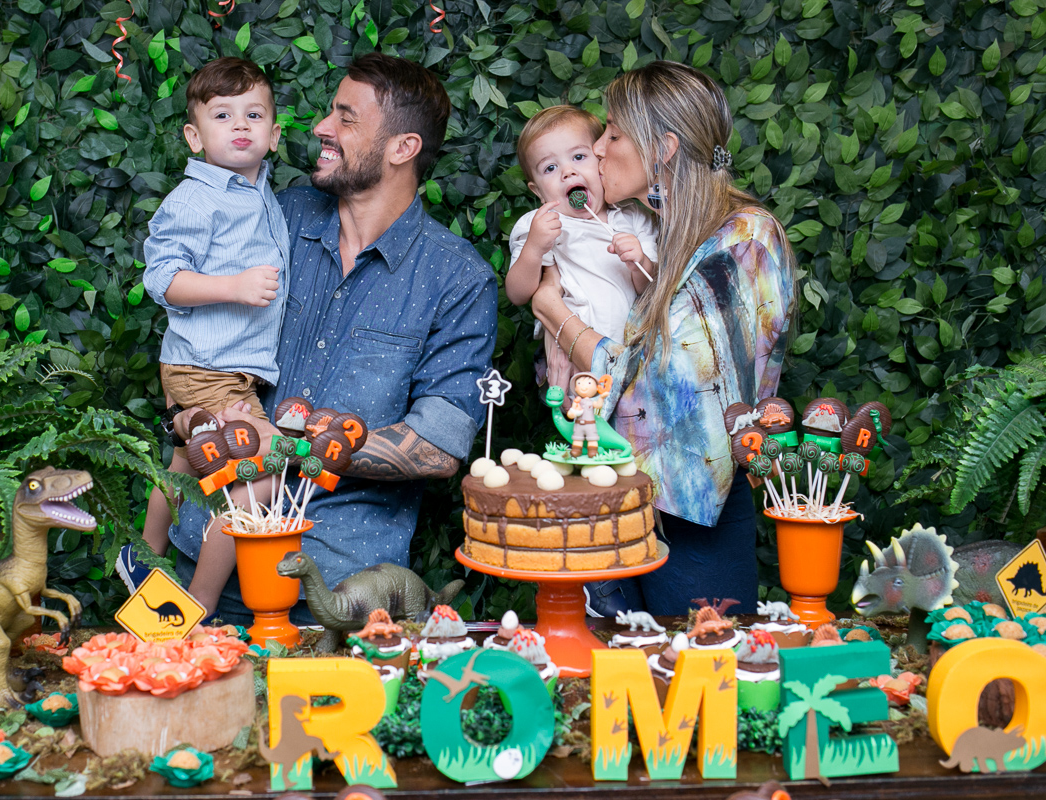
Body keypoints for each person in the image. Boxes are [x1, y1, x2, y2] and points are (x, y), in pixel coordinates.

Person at [131, 54, 499, 624]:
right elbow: (199, 337)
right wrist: (186, 418)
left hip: (334, 596)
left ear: (403, 147)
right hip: (192, 567)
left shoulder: (456, 278)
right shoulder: (274, 217)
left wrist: (286, 446)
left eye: (346, 118)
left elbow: (438, 446)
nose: (322, 128)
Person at [531, 62, 797, 616]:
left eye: (613, 134)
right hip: (623, 497)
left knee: (701, 665)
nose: (597, 149)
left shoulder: (746, 239)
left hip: (691, 517)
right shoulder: (666, 236)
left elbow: (661, 381)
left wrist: (555, 312)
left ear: (664, 148)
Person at [117, 58, 289, 612]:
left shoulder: (259, 193)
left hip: (218, 368)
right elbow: (163, 279)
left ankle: (142, 554)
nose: (240, 124)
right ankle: (201, 601)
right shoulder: (195, 199)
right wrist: (234, 286)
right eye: (222, 115)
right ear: (195, 137)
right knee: (267, 464)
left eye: (254, 115)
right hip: (208, 369)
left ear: (273, 135)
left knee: (188, 461)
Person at [505, 106, 658, 398]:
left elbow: (650, 288)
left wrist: (639, 260)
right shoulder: (542, 225)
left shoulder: (634, 217)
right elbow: (517, 293)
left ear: (601, 162)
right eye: (550, 168)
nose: (568, 172)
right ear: (538, 191)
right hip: (575, 365)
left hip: (635, 358)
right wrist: (534, 248)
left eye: (578, 157)